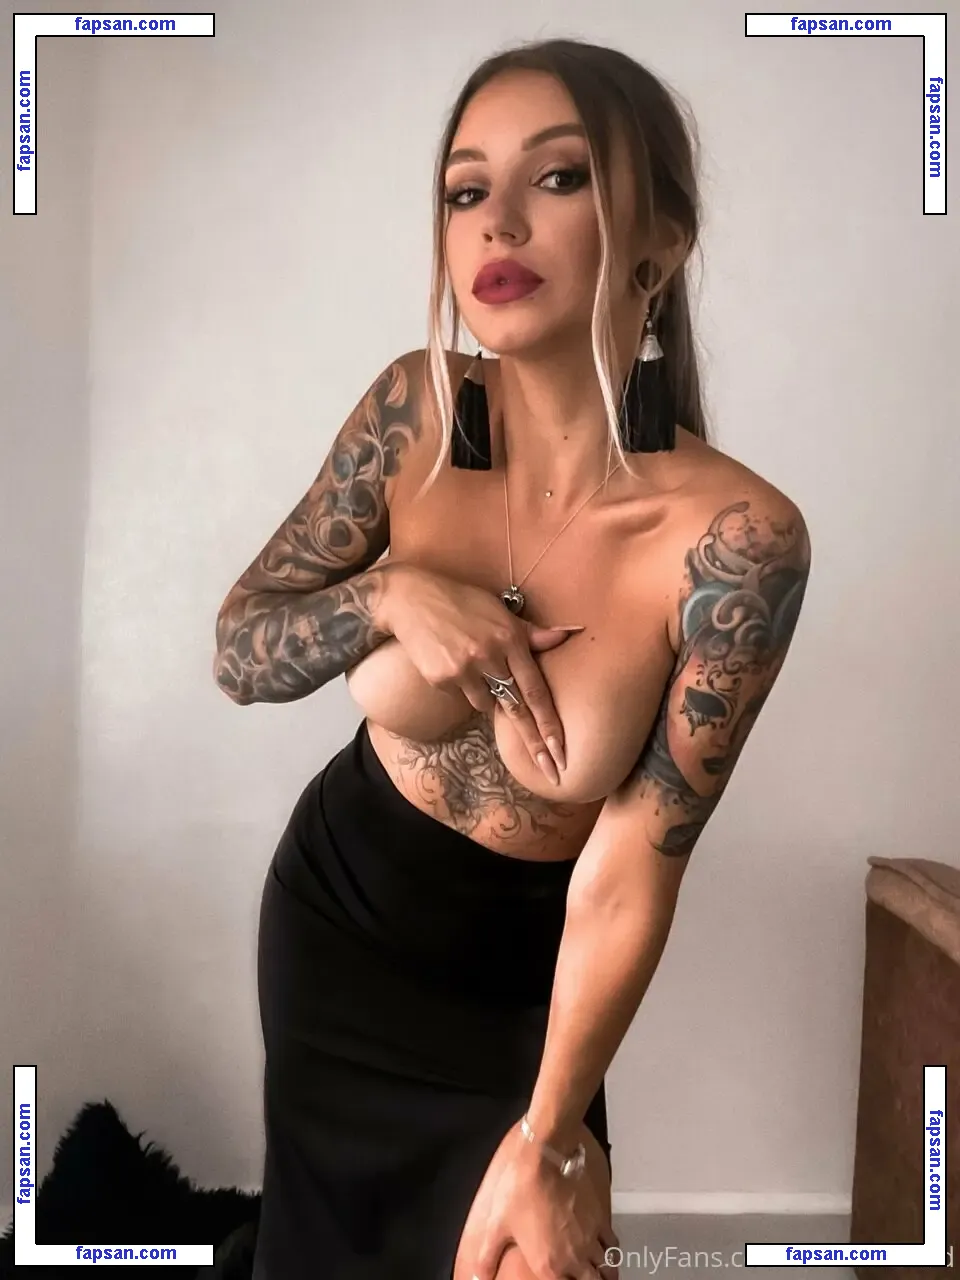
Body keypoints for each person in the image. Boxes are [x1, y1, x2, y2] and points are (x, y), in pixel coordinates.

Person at [213, 36, 812, 1280]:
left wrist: (546, 1132)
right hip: (339, 921)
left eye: (558, 176)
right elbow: (240, 649)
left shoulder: (736, 541)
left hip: (535, 987)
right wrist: (392, 594)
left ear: (659, 244)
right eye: (465, 189)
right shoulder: (415, 415)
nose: (498, 222)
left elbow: (633, 871)